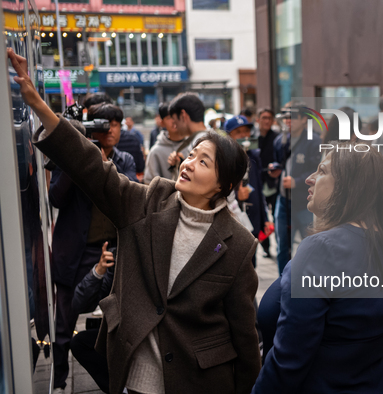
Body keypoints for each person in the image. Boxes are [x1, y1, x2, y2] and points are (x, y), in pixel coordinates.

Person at [9, 48, 261, 394]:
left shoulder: (238, 242)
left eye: (203, 162)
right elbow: (91, 168)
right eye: (190, 155)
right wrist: (37, 104)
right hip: (136, 374)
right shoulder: (148, 200)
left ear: (224, 185)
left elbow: (244, 332)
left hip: (200, 380)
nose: (187, 164)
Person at [253, 143, 383, 393]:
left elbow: (289, 358)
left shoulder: (321, 249)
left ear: (348, 186)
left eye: (322, 171)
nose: (310, 179)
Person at [47, 106, 137, 393]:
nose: (111, 130)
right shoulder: (71, 152)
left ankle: (117, 375)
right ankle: (59, 381)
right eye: (105, 124)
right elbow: (56, 198)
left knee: (117, 317)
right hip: (74, 251)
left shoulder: (125, 159)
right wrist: (79, 158)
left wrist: (102, 164)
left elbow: (131, 194)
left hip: (110, 250)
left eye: (116, 125)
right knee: (64, 321)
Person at [269, 103, 321, 275]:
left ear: (304, 119)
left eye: (292, 117)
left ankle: (308, 283)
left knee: (309, 247)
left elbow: (319, 170)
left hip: (304, 203)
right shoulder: (280, 140)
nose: (288, 121)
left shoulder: (314, 142)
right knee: (283, 247)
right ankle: (283, 283)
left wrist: (297, 181)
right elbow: (280, 165)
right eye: (285, 117)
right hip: (283, 201)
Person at [225, 115, 272, 266]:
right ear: (229, 136)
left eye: (246, 131)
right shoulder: (225, 159)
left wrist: (265, 218)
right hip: (235, 219)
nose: (244, 135)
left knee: (252, 262)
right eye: (238, 132)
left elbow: (259, 189)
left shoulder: (254, 156)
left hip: (254, 218)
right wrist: (237, 196)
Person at [70, 242, 115, 393]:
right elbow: (80, 305)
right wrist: (99, 270)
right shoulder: (116, 256)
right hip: (122, 331)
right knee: (80, 343)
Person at [166, 93, 209, 179]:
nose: (175, 126)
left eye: (175, 121)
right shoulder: (209, 138)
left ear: (183, 116)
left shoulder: (201, 142)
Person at [144, 103, 187, 184]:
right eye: (169, 117)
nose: (174, 120)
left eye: (177, 116)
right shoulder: (155, 152)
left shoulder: (193, 145)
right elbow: (149, 183)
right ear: (162, 123)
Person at [256, 108, 279, 257]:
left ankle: (279, 245)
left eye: (269, 118)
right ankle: (265, 247)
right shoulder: (252, 138)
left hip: (273, 182)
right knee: (261, 217)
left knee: (276, 217)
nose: (266, 121)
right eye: (263, 118)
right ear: (258, 119)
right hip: (257, 182)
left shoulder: (277, 138)